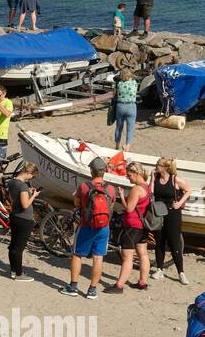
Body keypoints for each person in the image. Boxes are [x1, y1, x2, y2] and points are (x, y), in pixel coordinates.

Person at [62, 156, 117, 300]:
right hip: (104, 227)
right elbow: (112, 204)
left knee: (77, 255)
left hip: (86, 225)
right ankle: (92, 290)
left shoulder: (84, 186)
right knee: (98, 258)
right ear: (104, 171)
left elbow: (76, 203)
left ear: (92, 171)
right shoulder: (111, 189)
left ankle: (73, 286)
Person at [107, 162, 152, 292]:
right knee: (143, 254)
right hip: (142, 226)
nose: (128, 178)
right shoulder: (147, 187)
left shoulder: (136, 189)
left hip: (132, 225)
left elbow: (129, 208)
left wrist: (121, 196)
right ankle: (143, 282)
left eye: (129, 175)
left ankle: (119, 285)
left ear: (137, 173)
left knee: (127, 257)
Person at [150, 157, 191, 286]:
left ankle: (181, 272)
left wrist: (179, 203)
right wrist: (151, 178)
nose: (156, 166)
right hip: (158, 212)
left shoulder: (175, 179)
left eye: (158, 165)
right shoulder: (156, 179)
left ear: (165, 167)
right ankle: (159, 269)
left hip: (173, 213)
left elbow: (188, 190)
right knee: (159, 241)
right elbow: (151, 192)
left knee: (175, 243)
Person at [7, 163, 41, 282]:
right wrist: (34, 196)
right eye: (32, 176)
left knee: (13, 245)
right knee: (19, 247)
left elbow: (13, 199)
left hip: (14, 215)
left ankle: (13, 270)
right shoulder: (22, 186)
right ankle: (19, 274)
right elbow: (25, 205)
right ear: (28, 173)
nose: (32, 178)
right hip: (24, 219)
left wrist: (28, 192)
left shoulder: (11, 182)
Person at [113, 69, 139, 152]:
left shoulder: (119, 84)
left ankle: (117, 146)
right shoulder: (134, 83)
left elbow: (114, 91)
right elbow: (135, 78)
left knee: (119, 127)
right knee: (130, 129)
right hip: (131, 106)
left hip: (120, 106)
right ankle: (127, 146)